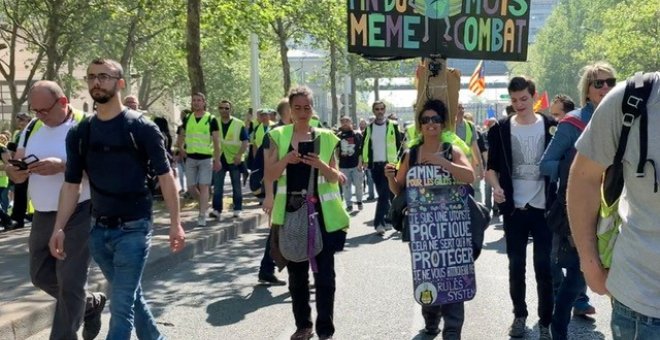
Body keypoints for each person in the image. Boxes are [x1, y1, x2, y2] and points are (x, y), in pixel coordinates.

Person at [49, 58, 185, 339]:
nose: (96, 82)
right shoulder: (80, 132)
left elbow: (165, 177)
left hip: (134, 229)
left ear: (120, 83)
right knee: (131, 296)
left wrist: (176, 222)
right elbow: (71, 185)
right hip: (98, 231)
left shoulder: (143, 128)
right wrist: (59, 227)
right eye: (91, 77)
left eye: (104, 76)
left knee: (121, 308)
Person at [5, 80, 105, 340]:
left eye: (44, 110)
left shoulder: (87, 125)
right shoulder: (32, 127)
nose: (39, 115)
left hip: (80, 211)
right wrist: (13, 170)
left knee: (70, 281)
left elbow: (102, 170)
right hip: (43, 213)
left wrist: (62, 166)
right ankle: (90, 304)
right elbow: (18, 175)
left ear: (63, 102)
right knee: (39, 276)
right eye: (34, 110)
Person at [568, 71, 660, 340]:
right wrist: (589, 263)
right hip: (643, 307)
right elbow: (584, 178)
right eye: (598, 83)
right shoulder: (631, 98)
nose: (603, 87)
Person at [263, 86, 348, 340]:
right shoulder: (277, 136)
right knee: (297, 276)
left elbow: (338, 178)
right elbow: (269, 175)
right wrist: (285, 161)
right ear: (290, 110)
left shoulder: (327, 137)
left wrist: (321, 165)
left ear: (313, 109)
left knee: (325, 277)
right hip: (291, 214)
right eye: (297, 108)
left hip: (324, 216)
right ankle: (303, 326)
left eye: (307, 107)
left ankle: (325, 329)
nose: (302, 113)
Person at [385, 99, 474, 339]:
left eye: (435, 119)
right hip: (421, 230)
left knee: (454, 276)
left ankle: (453, 330)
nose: (431, 124)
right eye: (426, 120)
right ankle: (431, 322)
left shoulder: (451, 150)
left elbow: (470, 176)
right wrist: (389, 178)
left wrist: (442, 162)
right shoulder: (411, 154)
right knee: (428, 274)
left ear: (443, 123)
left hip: (452, 228)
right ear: (420, 124)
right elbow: (399, 190)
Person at [540, 63, 617, 340]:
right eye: (598, 83)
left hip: (617, 212)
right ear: (586, 89)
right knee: (576, 278)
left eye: (610, 82)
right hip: (581, 211)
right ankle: (557, 331)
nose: (605, 88)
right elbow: (546, 164)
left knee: (621, 278)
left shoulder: (624, 118)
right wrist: (578, 167)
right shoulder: (572, 123)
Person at [485, 76, 556, 339]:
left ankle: (545, 321)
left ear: (534, 97)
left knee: (544, 268)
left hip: (543, 209)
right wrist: (496, 187)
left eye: (524, 99)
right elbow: (490, 169)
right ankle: (519, 315)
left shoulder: (552, 126)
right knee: (516, 267)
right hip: (514, 209)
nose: (519, 104)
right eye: (514, 100)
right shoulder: (501, 129)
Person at [176, 93, 222, 227]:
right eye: (194, 100)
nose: (196, 103)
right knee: (191, 188)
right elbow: (181, 134)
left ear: (204, 102)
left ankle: (202, 215)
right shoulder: (188, 118)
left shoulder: (211, 119)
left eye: (199, 100)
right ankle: (204, 204)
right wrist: (180, 147)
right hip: (190, 157)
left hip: (205, 158)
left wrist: (217, 159)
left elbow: (216, 141)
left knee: (203, 185)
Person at [362, 101, 402, 235]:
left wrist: (400, 163)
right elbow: (365, 145)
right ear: (373, 111)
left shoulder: (393, 126)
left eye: (381, 109)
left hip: (389, 164)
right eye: (377, 109)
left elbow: (399, 145)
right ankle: (387, 220)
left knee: (386, 195)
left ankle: (380, 222)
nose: (379, 111)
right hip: (375, 166)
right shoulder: (369, 128)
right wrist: (364, 161)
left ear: (384, 110)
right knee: (385, 195)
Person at [210, 100, 248, 219]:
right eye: (221, 108)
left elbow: (245, 142)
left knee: (236, 186)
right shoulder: (214, 122)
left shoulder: (239, 123)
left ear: (231, 110)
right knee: (217, 186)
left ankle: (237, 209)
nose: (224, 110)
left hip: (234, 159)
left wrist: (239, 155)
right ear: (218, 109)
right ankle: (217, 210)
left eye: (227, 108)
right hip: (219, 158)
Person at [9, 112, 32, 229]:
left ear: (29, 120)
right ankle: (18, 218)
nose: (21, 122)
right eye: (19, 120)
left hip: (31, 164)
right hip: (19, 165)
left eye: (23, 120)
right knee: (20, 192)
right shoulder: (18, 134)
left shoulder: (33, 131)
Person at [336, 116, 364, 212]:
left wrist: (360, 163)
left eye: (347, 121)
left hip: (356, 165)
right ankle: (349, 204)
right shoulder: (338, 136)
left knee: (358, 185)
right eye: (342, 121)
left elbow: (361, 150)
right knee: (346, 186)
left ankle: (359, 201)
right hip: (343, 166)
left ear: (351, 122)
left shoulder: (357, 134)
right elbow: (337, 150)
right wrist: (337, 163)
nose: (345, 123)